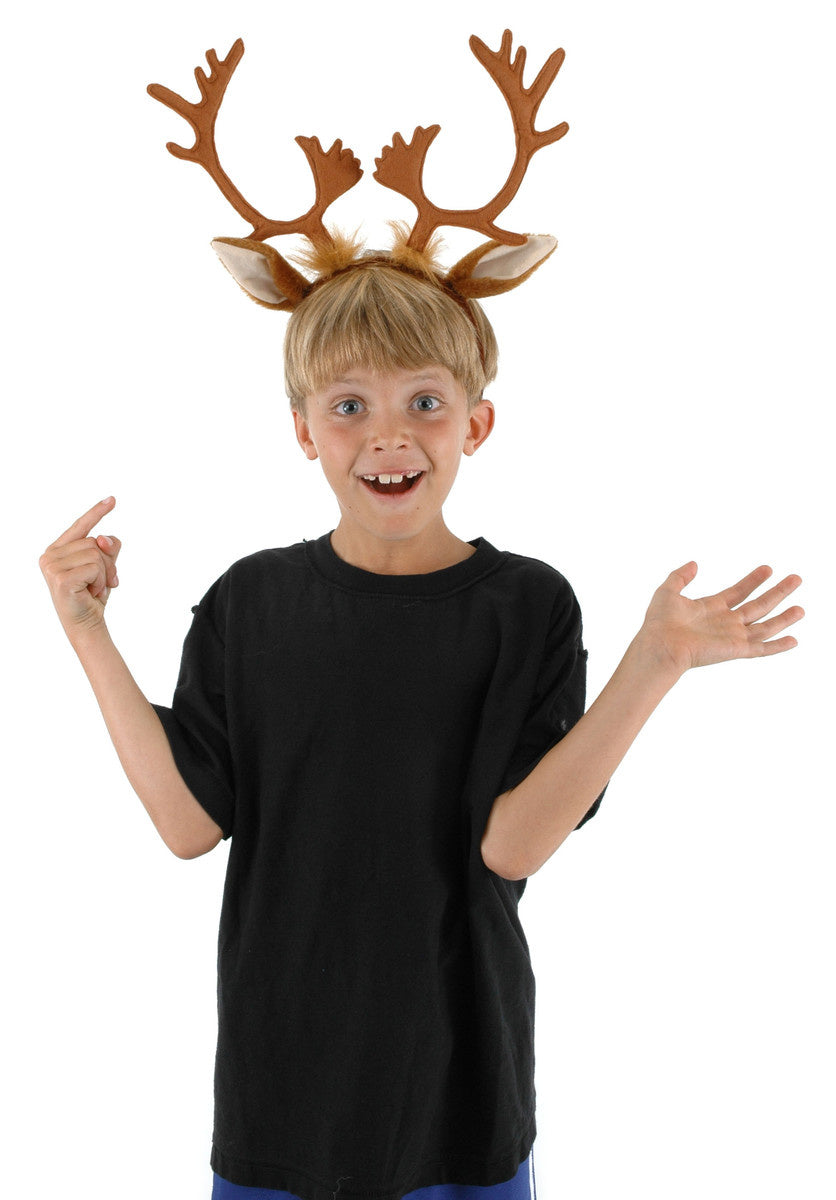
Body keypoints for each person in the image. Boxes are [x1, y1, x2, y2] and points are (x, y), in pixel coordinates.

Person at [38, 30, 805, 1200]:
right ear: (303, 428)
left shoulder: (525, 605)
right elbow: (190, 826)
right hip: (277, 1104)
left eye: (423, 401)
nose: (387, 434)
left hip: (463, 1102)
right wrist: (87, 634)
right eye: (347, 404)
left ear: (474, 424)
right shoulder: (250, 603)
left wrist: (654, 661)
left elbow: (512, 847)